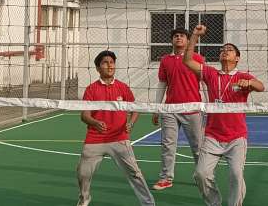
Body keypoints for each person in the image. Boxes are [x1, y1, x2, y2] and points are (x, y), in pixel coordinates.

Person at [183, 24, 265, 206]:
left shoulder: (242, 75)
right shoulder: (212, 74)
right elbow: (187, 61)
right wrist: (195, 36)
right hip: (213, 136)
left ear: (237, 58)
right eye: (222, 50)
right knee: (201, 174)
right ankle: (214, 203)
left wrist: (250, 82)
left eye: (229, 50)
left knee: (236, 175)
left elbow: (261, 86)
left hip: (236, 137)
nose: (224, 51)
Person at [76, 50, 155, 206]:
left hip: (119, 138)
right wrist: (95, 122)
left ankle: (148, 203)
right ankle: (84, 198)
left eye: (112, 62)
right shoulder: (91, 89)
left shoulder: (123, 87)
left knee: (135, 173)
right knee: (83, 173)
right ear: (98, 68)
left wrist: (130, 123)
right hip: (95, 138)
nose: (109, 65)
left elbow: (135, 109)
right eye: (105, 63)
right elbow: (84, 115)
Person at [152, 27, 205, 190]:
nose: (179, 38)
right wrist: (157, 108)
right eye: (175, 36)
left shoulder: (197, 58)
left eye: (182, 36)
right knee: (168, 145)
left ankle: (202, 175)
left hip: (192, 108)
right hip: (170, 109)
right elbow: (162, 84)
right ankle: (166, 178)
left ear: (188, 40)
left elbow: (204, 82)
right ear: (172, 40)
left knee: (198, 146)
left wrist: (209, 107)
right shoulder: (165, 60)